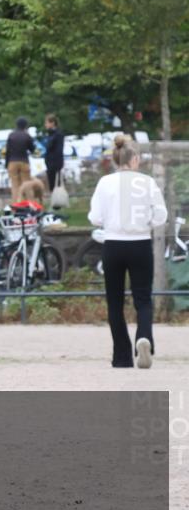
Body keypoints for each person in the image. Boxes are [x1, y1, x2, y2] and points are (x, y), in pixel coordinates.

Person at [88, 134, 167, 369]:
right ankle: (144, 338)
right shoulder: (147, 181)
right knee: (143, 298)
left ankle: (121, 356)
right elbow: (161, 215)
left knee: (115, 301)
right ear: (133, 159)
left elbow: (94, 217)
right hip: (140, 243)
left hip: (113, 244)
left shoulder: (105, 182)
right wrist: (146, 224)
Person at [6, 117, 36, 203]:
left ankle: (16, 204)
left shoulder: (11, 135)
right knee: (26, 184)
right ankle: (30, 204)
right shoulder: (27, 136)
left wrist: (6, 164)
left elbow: (8, 151)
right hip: (24, 161)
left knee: (15, 185)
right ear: (25, 126)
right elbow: (32, 149)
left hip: (12, 161)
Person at [43, 114, 65, 194]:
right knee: (51, 182)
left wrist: (57, 163)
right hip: (50, 162)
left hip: (55, 162)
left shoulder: (57, 134)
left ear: (52, 123)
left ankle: (58, 201)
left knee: (56, 182)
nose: (45, 125)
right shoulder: (50, 134)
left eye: (47, 123)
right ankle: (54, 199)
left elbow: (57, 149)